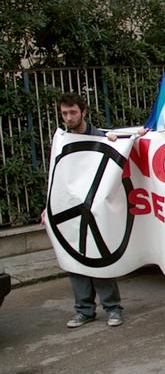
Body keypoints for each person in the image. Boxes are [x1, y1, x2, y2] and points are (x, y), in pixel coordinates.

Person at [58, 92, 124, 329]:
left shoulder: (101, 138)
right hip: (70, 211)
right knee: (74, 260)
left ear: (83, 111)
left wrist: (116, 141)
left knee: (99, 259)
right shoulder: (61, 139)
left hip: (96, 210)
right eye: (64, 113)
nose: (69, 117)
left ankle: (113, 308)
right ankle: (84, 310)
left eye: (73, 112)